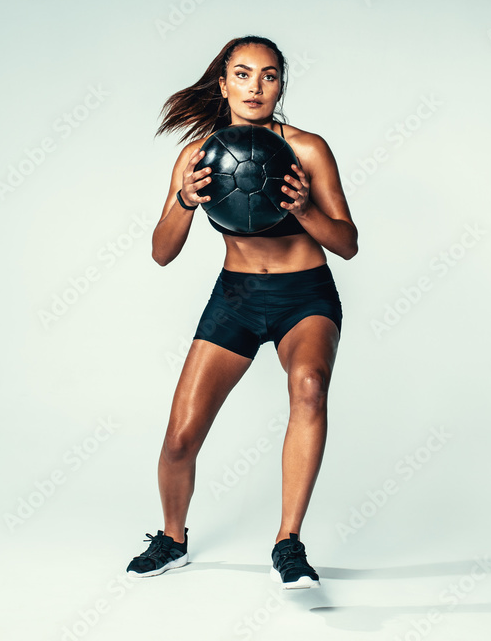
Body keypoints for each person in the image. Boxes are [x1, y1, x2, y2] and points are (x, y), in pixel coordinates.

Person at [125, 35, 358, 589]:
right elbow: (161, 253)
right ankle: (172, 538)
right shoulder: (197, 156)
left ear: (281, 84)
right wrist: (185, 199)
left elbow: (347, 242)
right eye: (244, 74)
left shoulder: (308, 149)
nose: (256, 86)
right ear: (224, 82)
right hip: (236, 297)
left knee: (308, 386)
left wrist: (304, 211)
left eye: (270, 75)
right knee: (181, 436)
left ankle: (288, 543)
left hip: (305, 296)